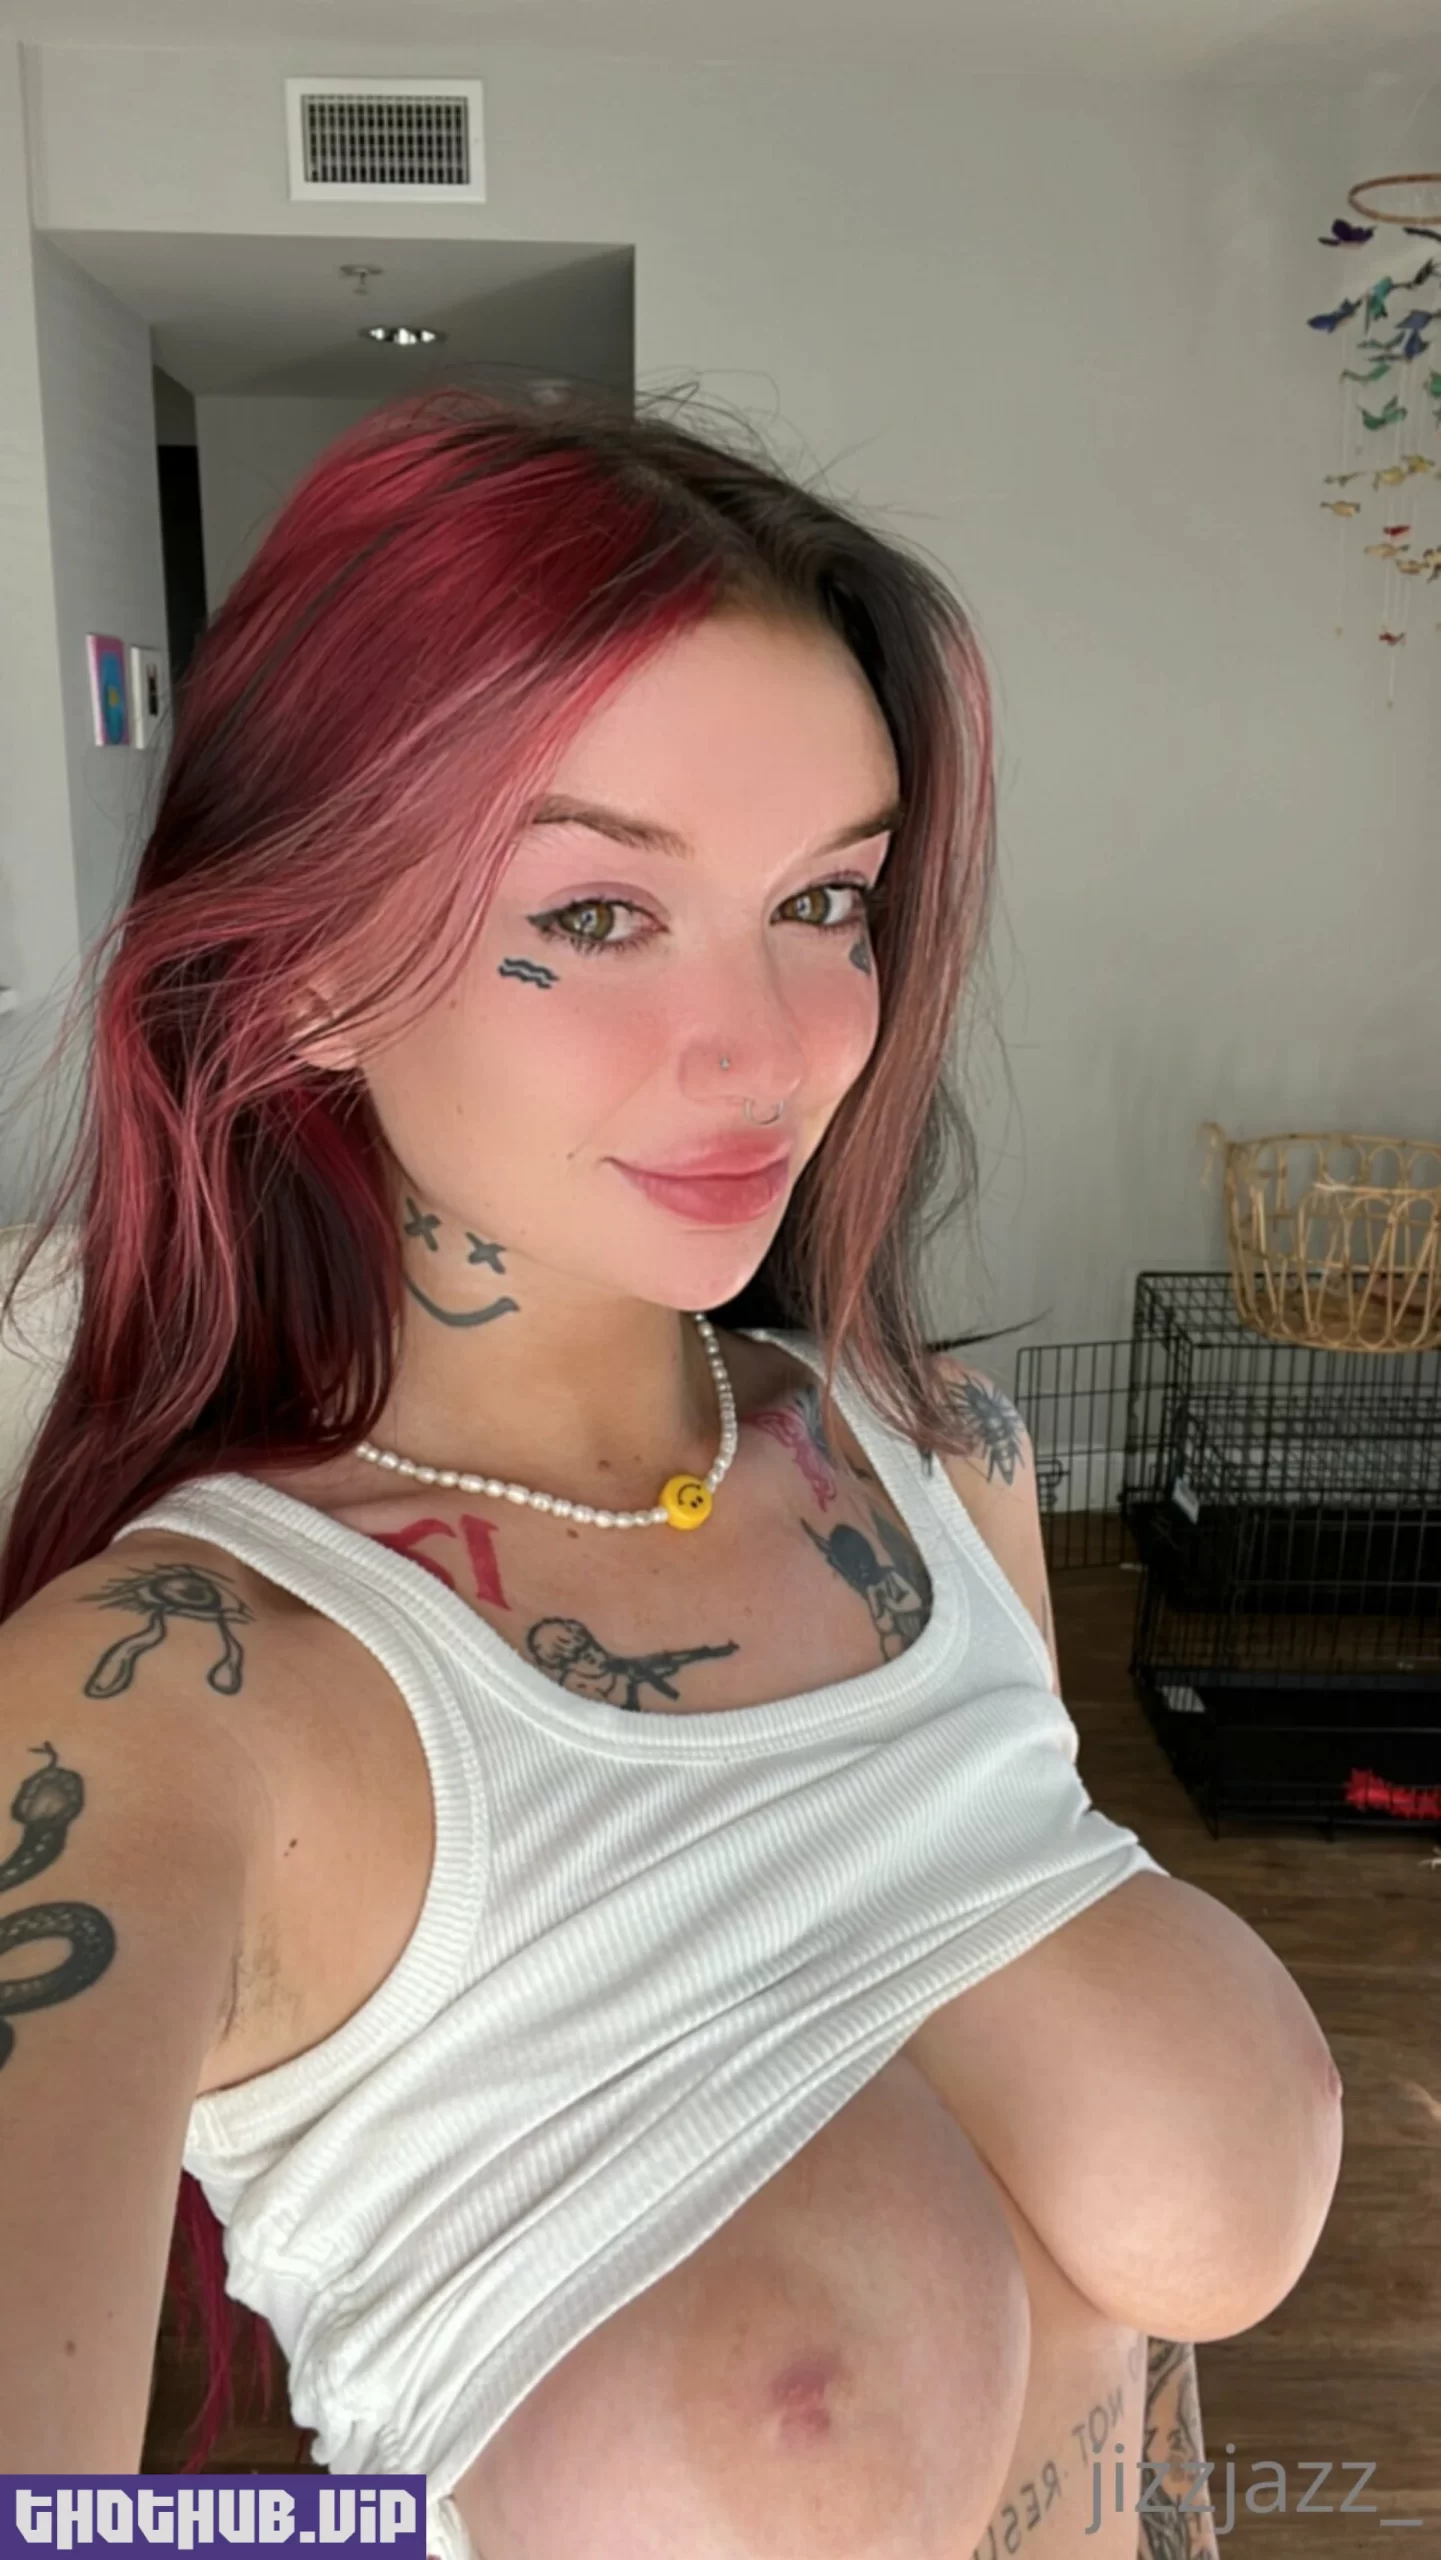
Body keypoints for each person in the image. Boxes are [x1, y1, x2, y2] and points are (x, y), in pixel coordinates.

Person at [0, 386, 1341, 2560]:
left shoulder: (941, 1463)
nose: (773, 1046)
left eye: (827, 898)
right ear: (308, 960)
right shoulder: (164, 1705)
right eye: (608, 911)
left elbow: (1128, 2366)